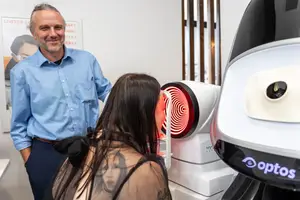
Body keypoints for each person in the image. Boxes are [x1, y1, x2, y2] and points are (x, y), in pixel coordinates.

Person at [9, 3, 112, 200]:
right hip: (46, 153)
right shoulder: (22, 72)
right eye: (44, 28)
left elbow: (108, 93)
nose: (53, 33)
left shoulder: (87, 60)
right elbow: (19, 125)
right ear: (34, 32)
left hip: (89, 148)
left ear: (64, 29)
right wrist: (31, 162)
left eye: (58, 27)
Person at [44, 73, 172, 200]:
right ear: (144, 114)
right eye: (162, 109)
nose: (165, 117)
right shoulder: (146, 172)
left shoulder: (80, 152)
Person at [4, 34, 38, 108]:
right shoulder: (5, 90)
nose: (31, 62)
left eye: (35, 58)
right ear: (14, 57)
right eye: (25, 57)